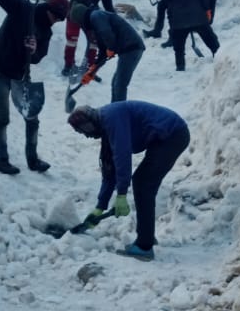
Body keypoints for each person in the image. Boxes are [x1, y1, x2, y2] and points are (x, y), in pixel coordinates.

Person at [67, 101, 191, 260]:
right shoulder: (106, 125)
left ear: (91, 121)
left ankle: (144, 246)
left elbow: (122, 156)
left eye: (86, 129)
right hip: (163, 138)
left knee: (144, 183)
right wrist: (100, 206)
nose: (87, 135)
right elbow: (109, 168)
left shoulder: (112, 118)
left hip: (173, 134)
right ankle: (146, 237)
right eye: (82, 132)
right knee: (142, 182)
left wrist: (122, 195)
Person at [0, 0, 69, 174]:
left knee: (32, 119)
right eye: (55, 16)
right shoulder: (23, 8)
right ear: (49, 9)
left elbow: (39, 56)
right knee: (3, 117)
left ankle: (33, 160)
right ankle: (2, 160)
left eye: (59, 19)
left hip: (20, 75)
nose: (55, 21)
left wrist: (33, 51)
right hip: (1, 69)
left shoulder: (46, 31)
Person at [77, 5, 145, 101]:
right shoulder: (96, 24)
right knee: (115, 83)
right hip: (128, 49)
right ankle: (114, 109)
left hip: (132, 47)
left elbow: (107, 33)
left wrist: (111, 47)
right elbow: (103, 52)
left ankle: (119, 112)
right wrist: (92, 72)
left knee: (119, 84)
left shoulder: (96, 15)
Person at [64, 0, 115, 76]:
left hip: (91, 14)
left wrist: (113, 17)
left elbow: (107, 2)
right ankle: (68, 65)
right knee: (72, 38)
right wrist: (91, 4)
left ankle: (90, 67)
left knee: (94, 40)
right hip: (77, 8)